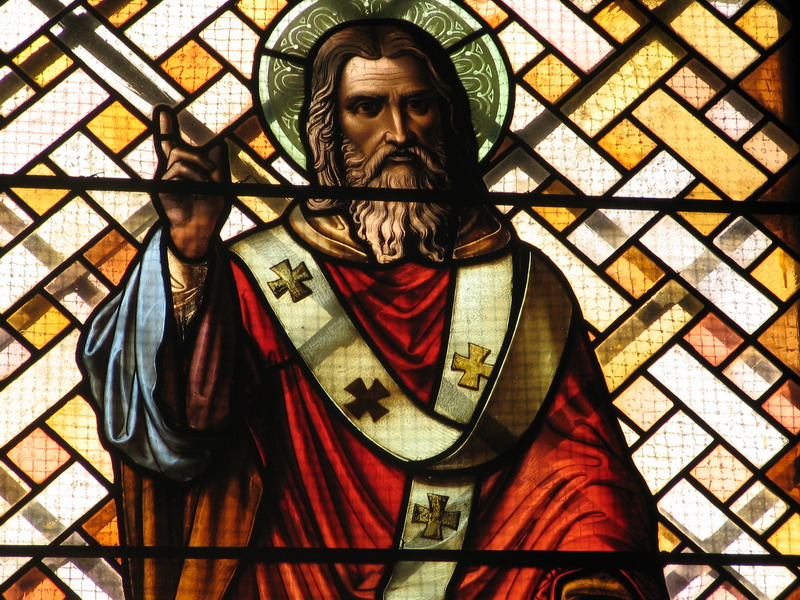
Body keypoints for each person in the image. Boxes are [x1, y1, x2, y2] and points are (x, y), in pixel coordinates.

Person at [80, 19, 667, 600]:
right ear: (326, 132)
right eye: (367, 108)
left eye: (418, 105)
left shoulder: (524, 291)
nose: (399, 133)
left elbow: (580, 464)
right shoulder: (254, 279)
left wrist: (596, 574)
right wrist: (188, 248)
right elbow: (184, 428)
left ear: (448, 121)